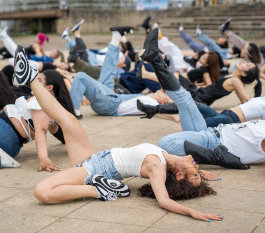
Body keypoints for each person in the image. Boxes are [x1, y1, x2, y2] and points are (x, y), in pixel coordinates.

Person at [11, 40, 224, 223]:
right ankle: (30, 77)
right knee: (67, 119)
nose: (196, 165)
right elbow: (188, 167)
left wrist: (192, 213)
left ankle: (102, 191)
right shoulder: (169, 159)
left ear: (178, 174)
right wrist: (200, 175)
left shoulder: (158, 168)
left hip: (97, 173)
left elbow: (164, 201)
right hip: (96, 158)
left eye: (194, 172)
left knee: (42, 192)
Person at [139, 28, 265, 189]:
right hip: (208, 131)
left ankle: (181, 164)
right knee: (185, 99)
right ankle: (154, 58)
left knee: (165, 142)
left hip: (211, 142)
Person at [68, 27, 170, 117]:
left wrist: (175, 116)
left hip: (109, 103)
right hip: (111, 96)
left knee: (81, 76)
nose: (161, 92)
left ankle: (73, 111)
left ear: (161, 101)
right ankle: (116, 37)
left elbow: (163, 109)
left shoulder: (151, 102)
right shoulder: (148, 95)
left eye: (164, 95)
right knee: (108, 69)